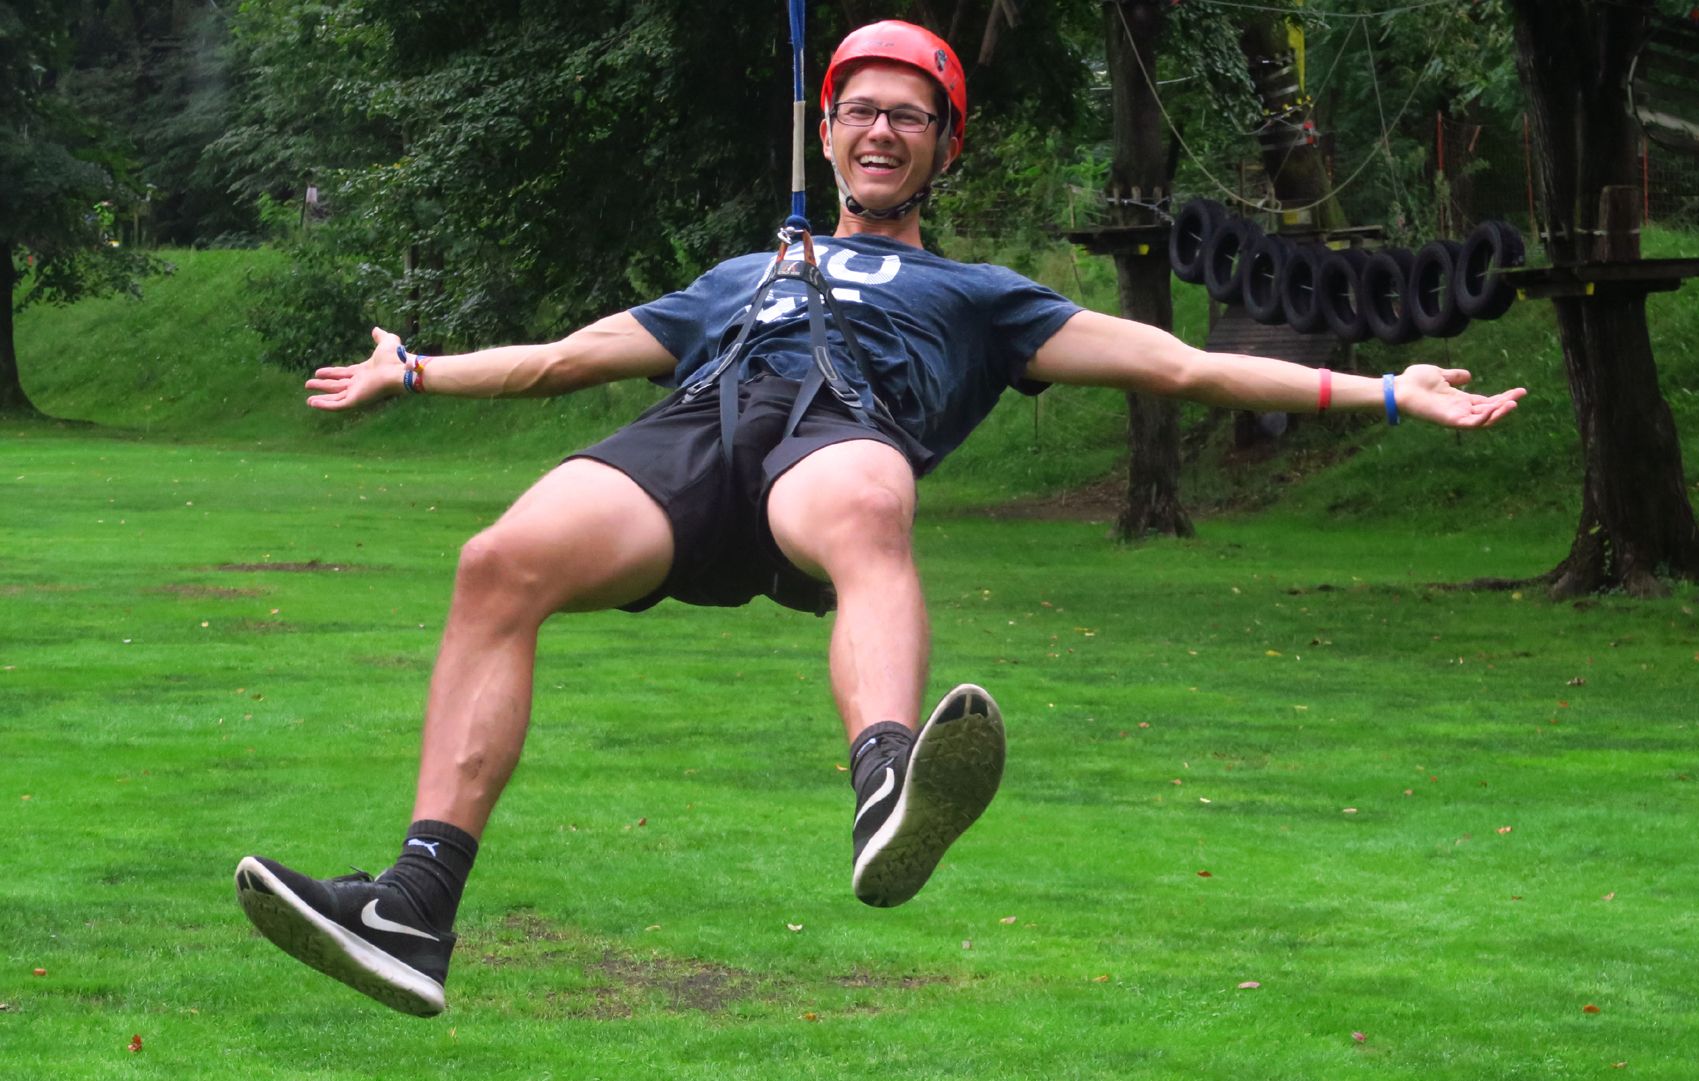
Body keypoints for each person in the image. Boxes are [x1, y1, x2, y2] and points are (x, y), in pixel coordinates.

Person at [234, 20, 1527, 1017]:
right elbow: (564, 358)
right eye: (861, 109)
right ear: (829, 129)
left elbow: (1181, 366)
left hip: (834, 437)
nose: (882, 130)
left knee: (866, 497)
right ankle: (416, 905)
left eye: (910, 116)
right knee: (498, 559)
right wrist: (413, 371)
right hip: (701, 436)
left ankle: (888, 785)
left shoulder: (984, 297)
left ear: (941, 147)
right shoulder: (741, 274)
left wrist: (1386, 390)